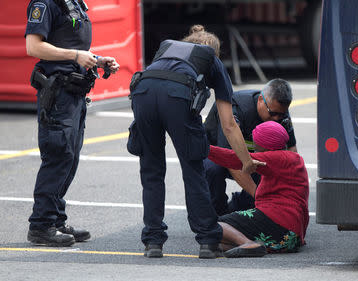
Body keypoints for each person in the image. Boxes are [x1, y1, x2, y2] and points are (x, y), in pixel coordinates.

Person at [127, 25, 264, 259]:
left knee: (151, 171)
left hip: (142, 92)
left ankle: (153, 241)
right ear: (215, 51)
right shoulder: (211, 59)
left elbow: (156, 80)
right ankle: (208, 240)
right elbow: (229, 124)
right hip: (177, 96)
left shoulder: (168, 50)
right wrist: (246, 161)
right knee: (193, 170)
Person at [25, 0, 120, 247]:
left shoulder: (75, 3)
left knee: (70, 157)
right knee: (58, 155)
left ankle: (55, 220)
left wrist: (97, 60)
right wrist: (76, 55)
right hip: (58, 93)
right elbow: (33, 47)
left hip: (74, 92)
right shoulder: (45, 4)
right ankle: (41, 225)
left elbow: (70, 44)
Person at [207, 121, 309, 258]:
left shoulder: (276, 158)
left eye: (256, 148)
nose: (254, 151)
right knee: (211, 242)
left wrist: (204, 148)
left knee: (210, 226)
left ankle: (249, 244)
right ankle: (251, 244)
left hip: (277, 221)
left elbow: (235, 159)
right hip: (291, 236)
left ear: (267, 147)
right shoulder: (294, 159)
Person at [204, 79, 297, 216]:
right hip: (216, 153)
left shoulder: (279, 112)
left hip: (250, 157)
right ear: (260, 100)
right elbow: (231, 161)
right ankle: (216, 218)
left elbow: (291, 151)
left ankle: (239, 206)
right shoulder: (236, 108)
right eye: (272, 114)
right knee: (213, 170)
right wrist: (260, 196)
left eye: (281, 114)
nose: (276, 119)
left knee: (271, 165)